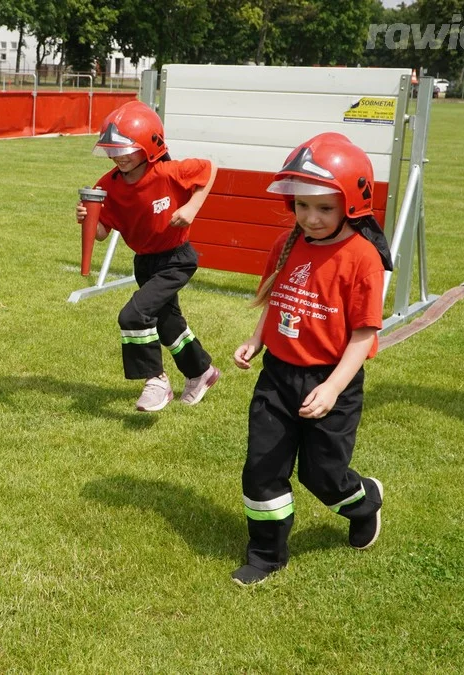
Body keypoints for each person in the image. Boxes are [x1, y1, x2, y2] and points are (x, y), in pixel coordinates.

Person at [229, 132, 394, 586]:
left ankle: (364, 501)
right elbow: (277, 298)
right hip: (277, 379)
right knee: (262, 469)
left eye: (324, 207)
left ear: (352, 204)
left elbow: (363, 337)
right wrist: (255, 341)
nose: (311, 218)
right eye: (302, 206)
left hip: (330, 382)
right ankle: (265, 556)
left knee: (324, 477)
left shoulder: (362, 259)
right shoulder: (286, 244)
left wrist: (333, 388)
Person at [75, 101, 220, 412]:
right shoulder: (108, 186)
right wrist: (89, 218)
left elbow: (209, 170)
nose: (119, 156)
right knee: (168, 324)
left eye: (127, 149)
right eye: (112, 149)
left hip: (176, 259)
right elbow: (101, 233)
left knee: (133, 315)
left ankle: (156, 381)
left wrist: (191, 208)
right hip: (144, 262)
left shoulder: (169, 172)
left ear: (151, 145)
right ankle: (201, 372)